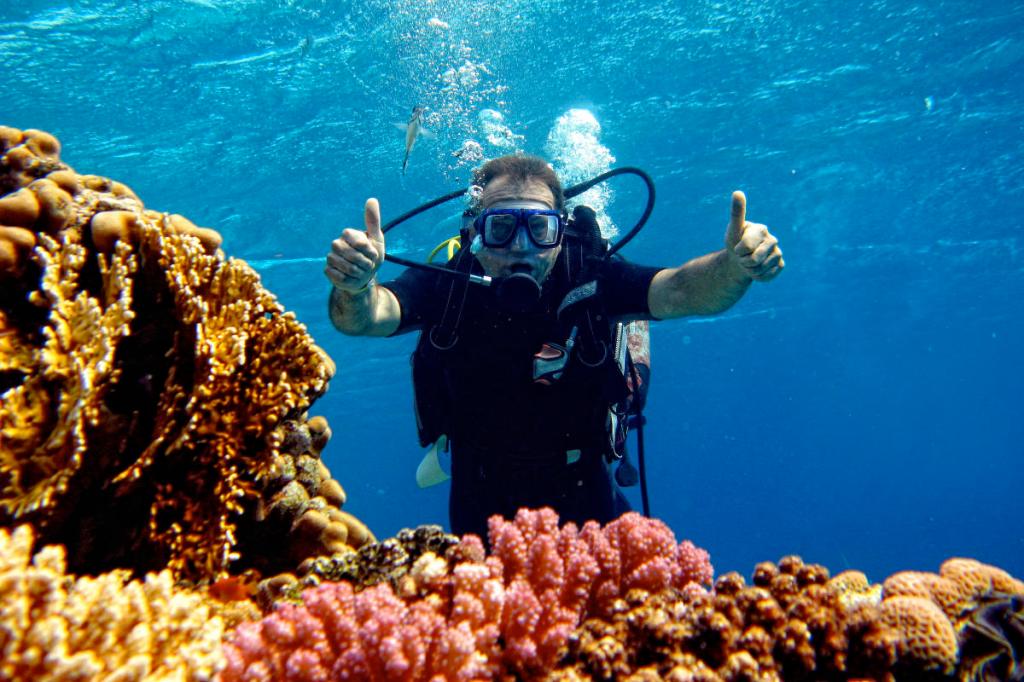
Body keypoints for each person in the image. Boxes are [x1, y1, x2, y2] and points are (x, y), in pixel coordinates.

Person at [325, 155, 783, 539]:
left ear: (561, 232)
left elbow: (681, 289)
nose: (520, 248)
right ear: (476, 231)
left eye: (540, 229)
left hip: (583, 480)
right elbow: (369, 315)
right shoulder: (451, 283)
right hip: (478, 482)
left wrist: (733, 267)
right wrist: (356, 285)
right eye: (502, 227)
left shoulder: (592, 273)